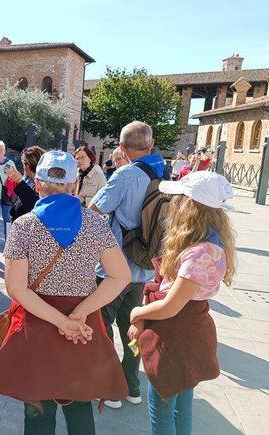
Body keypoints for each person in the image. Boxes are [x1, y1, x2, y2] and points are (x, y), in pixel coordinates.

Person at [0, 151, 131, 434]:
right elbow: (120, 277)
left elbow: (16, 288)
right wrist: (79, 314)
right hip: (83, 326)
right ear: (75, 184)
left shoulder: (24, 226)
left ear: (37, 183)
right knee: (79, 405)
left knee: (38, 409)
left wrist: (61, 322)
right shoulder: (96, 224)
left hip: (38, 323)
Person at [128, 171, 235, 434]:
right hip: (188, 330)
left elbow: (170, 307)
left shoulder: (200, 253)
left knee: (163, 404)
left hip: (175, 335)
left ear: (190, 206)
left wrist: (137, 312)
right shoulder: (208, 242)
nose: (173, 203)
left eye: (179, 198)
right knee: (181, 402)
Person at [89, 120, 166, 408]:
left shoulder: (125, 175)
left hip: (115, 267)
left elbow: (94, 210)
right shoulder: (165, 173)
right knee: (133, 327)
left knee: (101, 325)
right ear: (151, 143)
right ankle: (132, 386)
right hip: (146, 268)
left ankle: (110, 388)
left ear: (122, 147)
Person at [6, 146, 45, 222]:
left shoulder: (42, 183)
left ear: (28, 165)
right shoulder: (30, 181)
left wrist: (20, 182)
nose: (24, 167)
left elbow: (35, 203)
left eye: (23, 164)